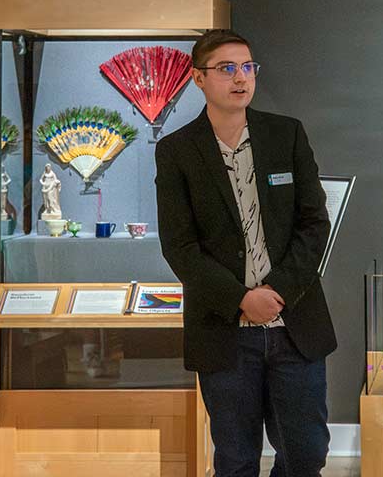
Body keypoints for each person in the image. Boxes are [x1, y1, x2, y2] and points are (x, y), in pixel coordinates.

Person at [155, 29, 335, 477]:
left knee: (306, 454)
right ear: (198, 78)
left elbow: (314, 225)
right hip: (224, 331)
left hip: (294, 323)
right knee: (236, 460)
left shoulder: (285, 134)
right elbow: (180, 246)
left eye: (248, 67)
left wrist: (276, 290)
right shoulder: (177, 151)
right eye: (227, 68)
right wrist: (241, 298)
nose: (241, 78)